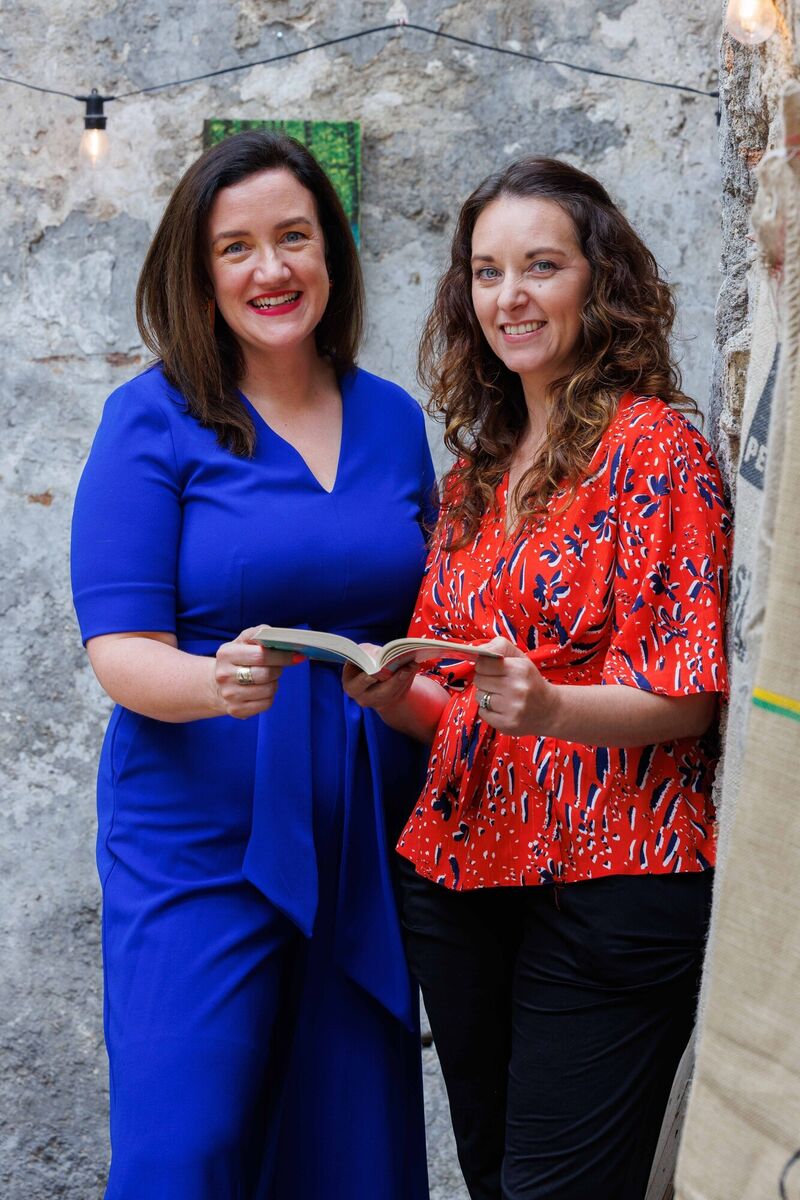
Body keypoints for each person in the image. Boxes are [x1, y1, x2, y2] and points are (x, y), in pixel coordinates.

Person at [343, 157, 732, 1200]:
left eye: (540, 266)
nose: (509, 296)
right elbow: (463, 705)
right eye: (487, 272)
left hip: (610, 881)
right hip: (461, 881)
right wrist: (394, 694)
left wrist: (553, 705)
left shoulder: (658, 452)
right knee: (496, 1182)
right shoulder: (477, 470)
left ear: (599, 281)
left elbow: (688, 694)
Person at [70, 130, 433, 1200]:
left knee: (344, 1154)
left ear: (332, 254)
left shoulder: (392, 419)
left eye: (293, 238)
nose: (270, 269)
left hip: (362, 834)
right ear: (200, 273)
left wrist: (406, 683)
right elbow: (119, 650)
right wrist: (212, 685)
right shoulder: (150, 419)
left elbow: (425, 617)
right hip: (196, 840)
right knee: (180, 1152)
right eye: (236, 247)